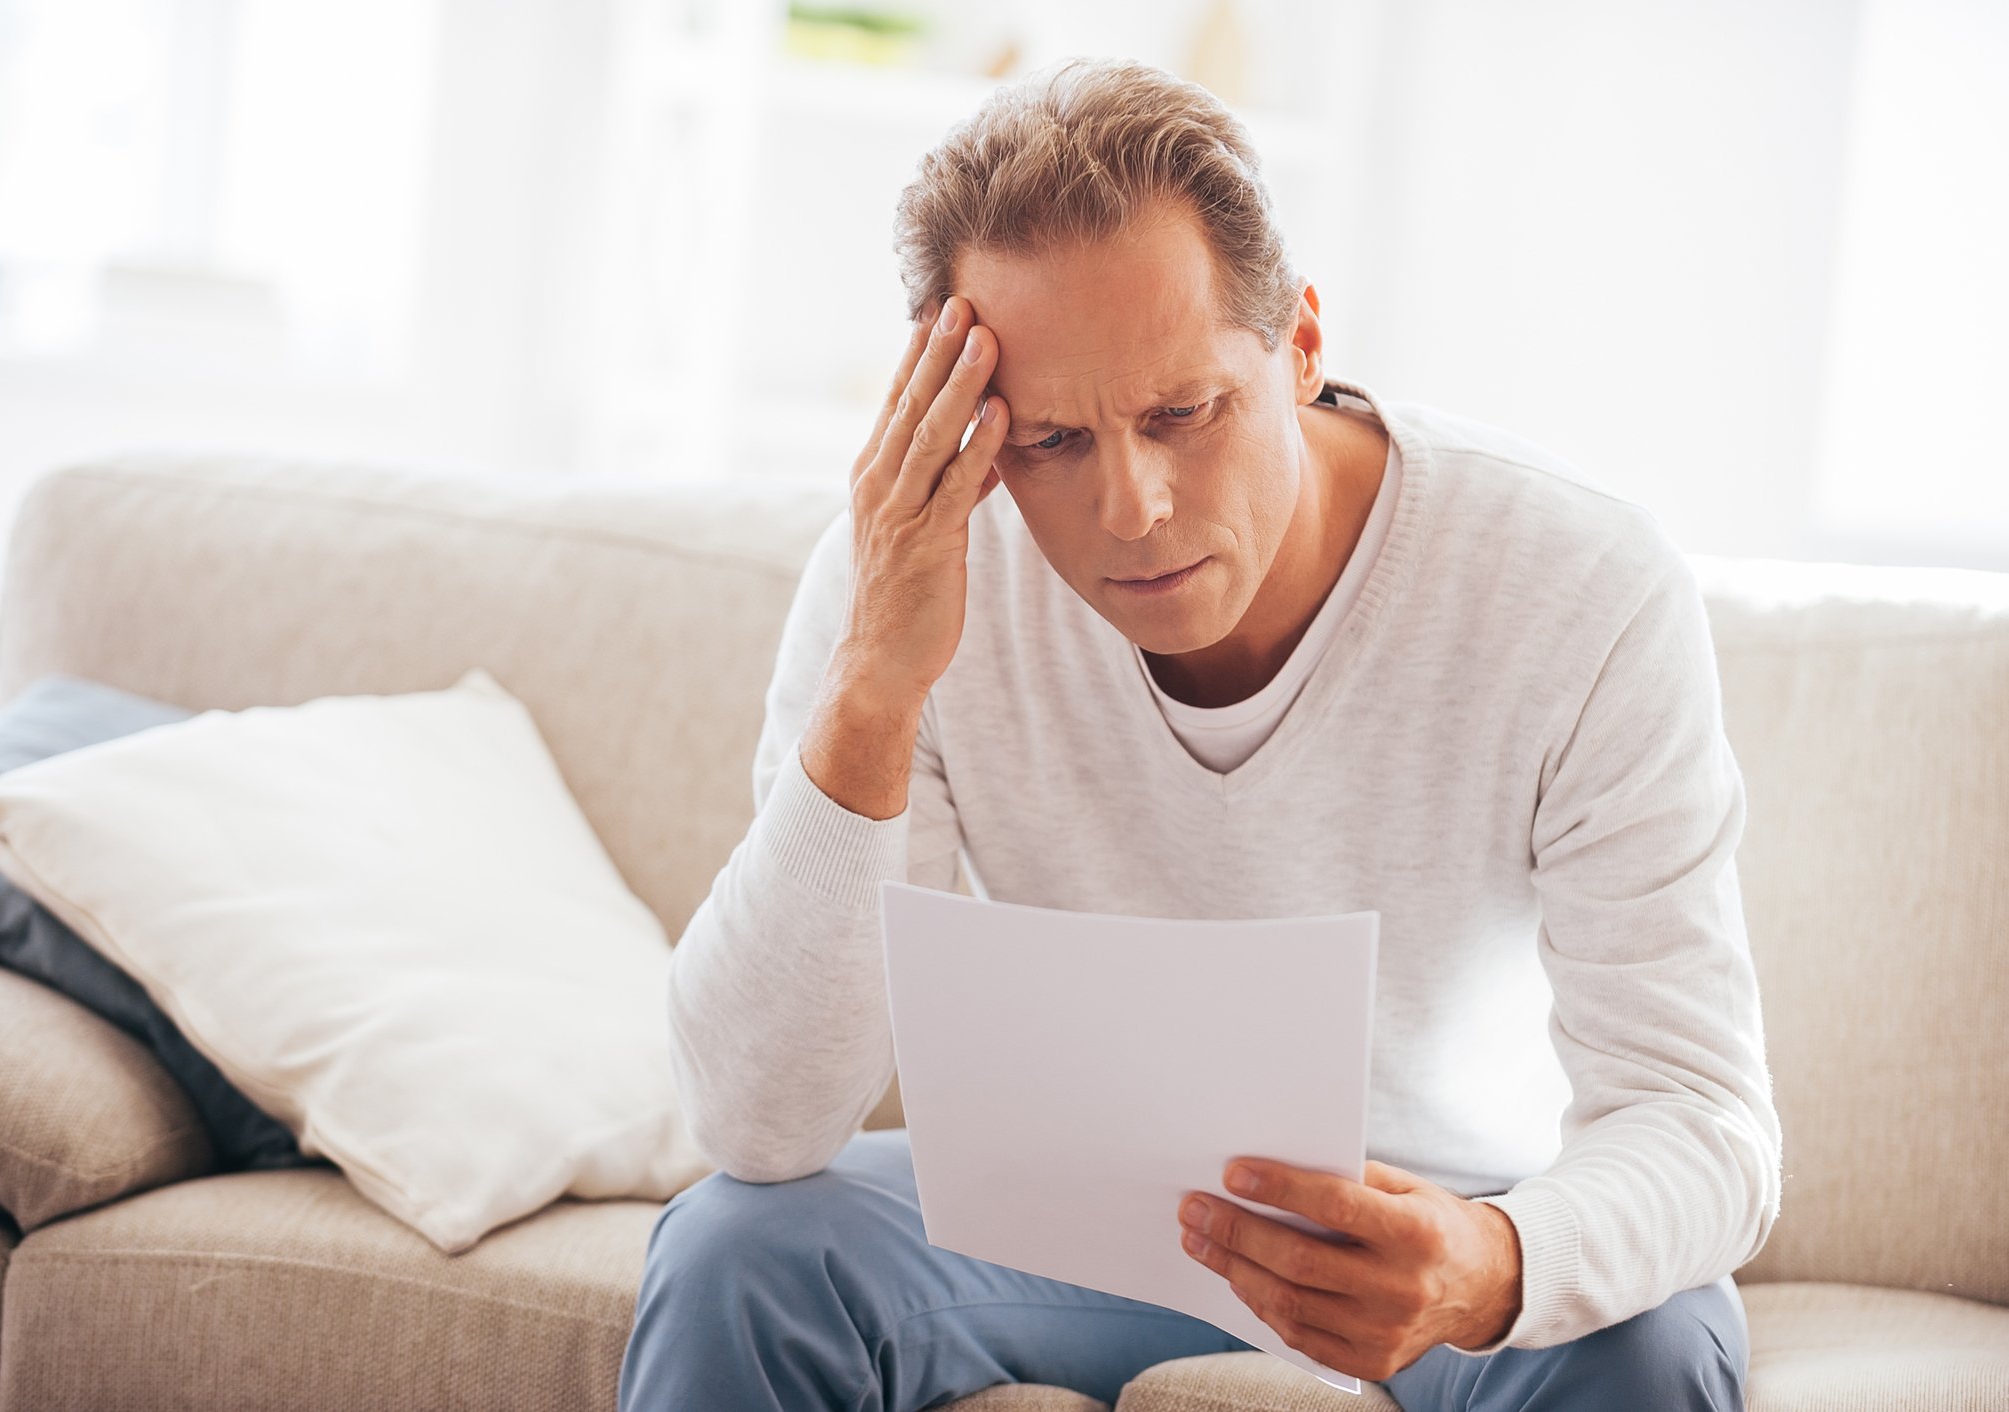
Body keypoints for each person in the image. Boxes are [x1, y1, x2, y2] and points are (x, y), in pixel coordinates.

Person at [617, 54, 1775, 1412]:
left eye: (1183, 414)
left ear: (1297, 347)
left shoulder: (1575, 581)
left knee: (1653, 1341)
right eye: (1049, 442)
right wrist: (874, 687)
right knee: (735, 1251)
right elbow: (759, 1123)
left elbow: (1701, 1120)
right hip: (1063, 1226)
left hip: (1445, 1217)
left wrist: (1492, 1258)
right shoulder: (909, 575)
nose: (1132, 506)